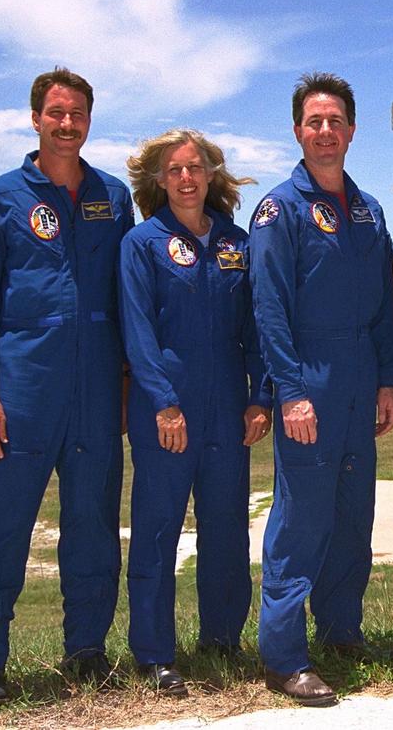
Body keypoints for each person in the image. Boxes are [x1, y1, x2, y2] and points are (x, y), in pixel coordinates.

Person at [0, 67, 134, 707]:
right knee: (2, 530)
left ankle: (86, 651)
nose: (66, 123)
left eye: (77, 113)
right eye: (55, 112)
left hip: (94, 395)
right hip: (23, 392)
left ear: (89, 120)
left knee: (92, 528)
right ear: (35, 118)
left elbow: (129, 296)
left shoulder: (112, 197)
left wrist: (126, 384)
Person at [248, 72, 393, 707]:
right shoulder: (279, 210)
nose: (326, 132)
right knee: (301, 518)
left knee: (350, 516)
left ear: (352, 130)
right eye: (314, 122)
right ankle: (284, 655)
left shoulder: (368, 210)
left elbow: (384, 305)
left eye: (336, 121)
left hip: (359, 379)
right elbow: (268, 306)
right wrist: (289, 389)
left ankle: (341, 632)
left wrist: (387, 379)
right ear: (297, 131)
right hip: (306, 375)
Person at [118, 129, 272, 697]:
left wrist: (261, 398)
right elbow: (138, 332)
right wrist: (163, 404)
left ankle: (223, 639)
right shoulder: (141, 245)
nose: (186, 178)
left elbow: (255, 328)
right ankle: (155, 653)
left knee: (228, 527)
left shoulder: (236, 243)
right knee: (158, 530)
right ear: (159, 181)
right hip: (168, 412)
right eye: (175, 170)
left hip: (228, 408)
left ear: (211, 174)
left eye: (196, 168)